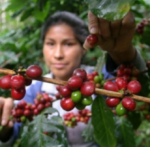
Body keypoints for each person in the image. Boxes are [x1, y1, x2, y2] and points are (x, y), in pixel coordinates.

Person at [0, 11, 146, 147]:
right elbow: (13, 131)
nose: (58, 54)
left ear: (83, 47)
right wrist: (4, 123)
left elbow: (135, 88)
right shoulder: (34, 90)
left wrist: (123, 52)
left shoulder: (100, 81)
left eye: (68, 43)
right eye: (50, 43)